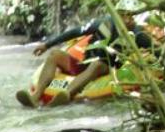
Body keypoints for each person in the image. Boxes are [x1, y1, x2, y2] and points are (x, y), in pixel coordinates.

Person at [16, 12, 153, 107]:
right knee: (54, 55)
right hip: (84, 64)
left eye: (130, 16)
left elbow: (155, 50)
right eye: (123, 15)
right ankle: (36, 96)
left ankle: (66, 95)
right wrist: (47, 44)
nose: (127, 19)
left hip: (107, 68)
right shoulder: (103, 22)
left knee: (97, 64)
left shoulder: (138, 34)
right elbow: (75, 32)